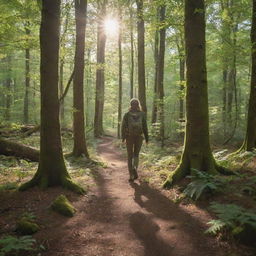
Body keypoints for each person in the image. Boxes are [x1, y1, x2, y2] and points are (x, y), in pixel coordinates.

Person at [121, 98, 148, 182]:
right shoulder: (142, 114)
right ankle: (135, 168)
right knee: (136, 154)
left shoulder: (127, 114)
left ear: (131, 105)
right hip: (139, 137)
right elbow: (145, 126)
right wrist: (147, 138)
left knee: (130, 156)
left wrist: (123, 137)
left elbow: (123, 127)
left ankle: (131, 175)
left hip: (129, 137)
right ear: (138, 105)